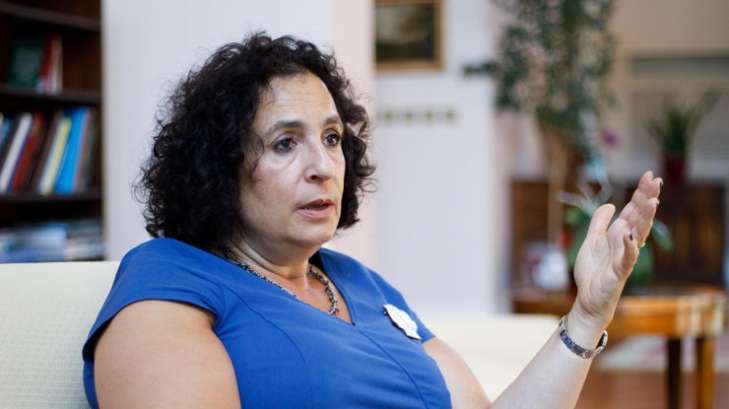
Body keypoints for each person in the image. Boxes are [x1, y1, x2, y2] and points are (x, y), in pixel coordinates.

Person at [82, 33, 662, 409]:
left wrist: (588, 314)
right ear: (219, 165)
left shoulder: (358, 284)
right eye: (285, 143)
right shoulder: (170, 277)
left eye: (332, 138)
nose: (323, 166)